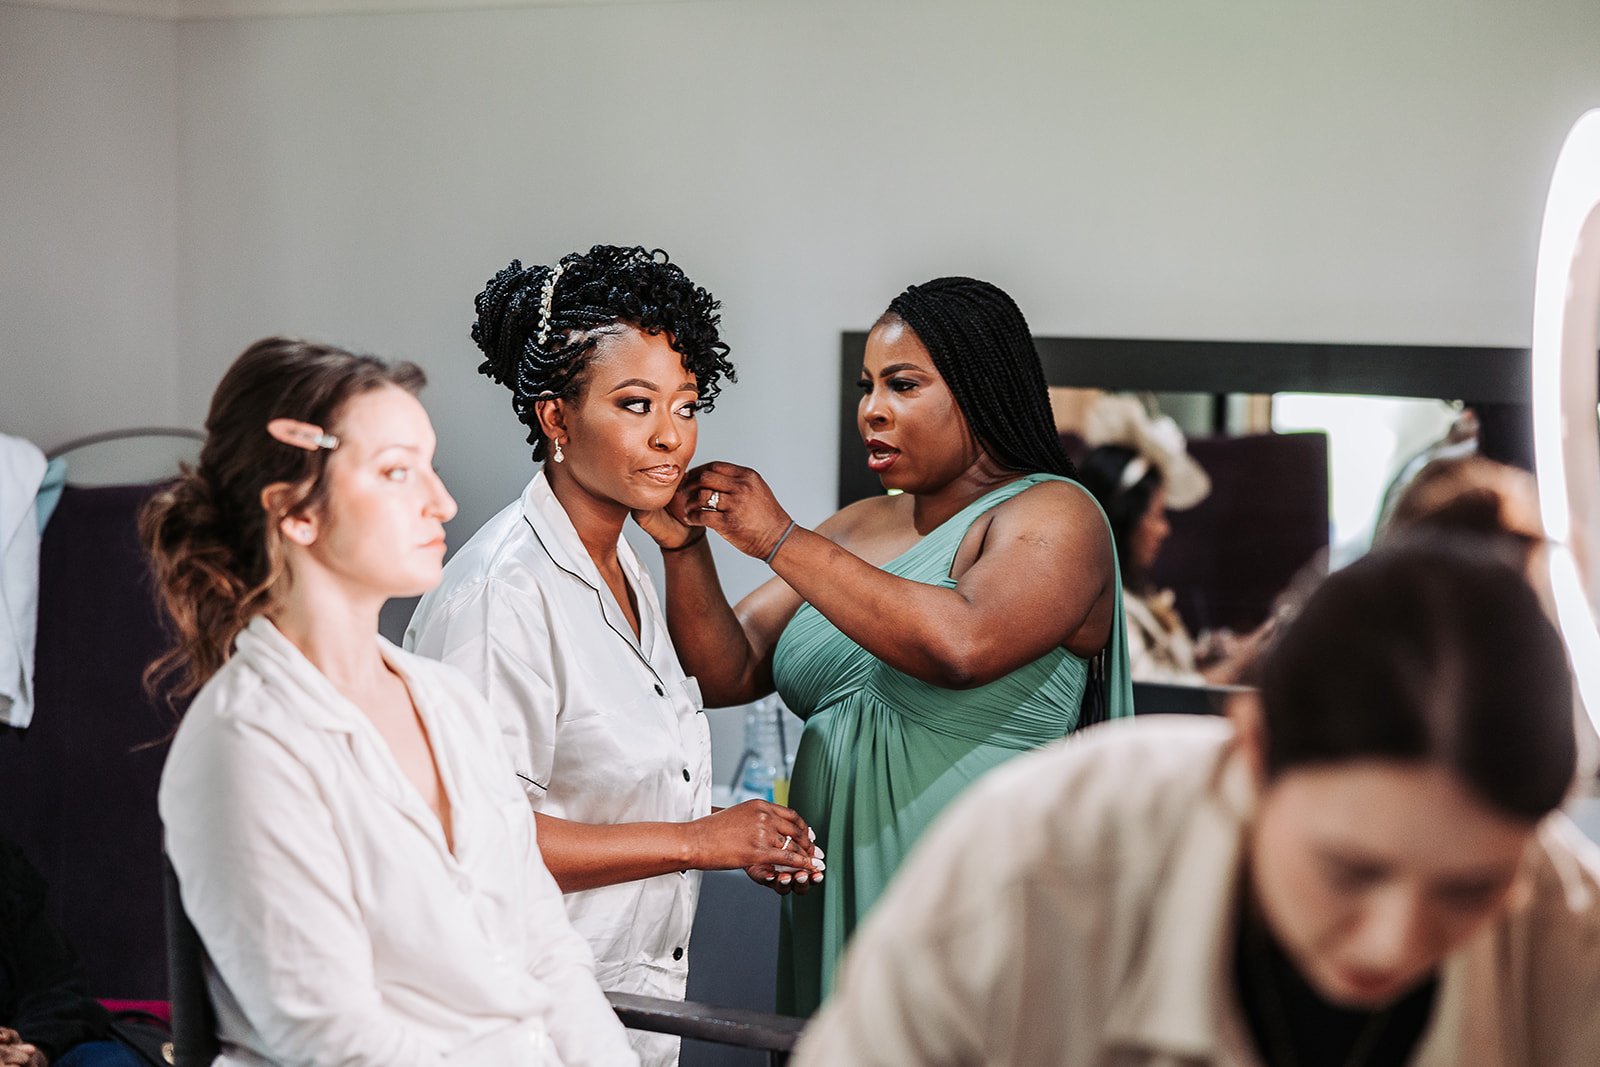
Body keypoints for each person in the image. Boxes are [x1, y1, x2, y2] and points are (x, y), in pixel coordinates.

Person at [795, 537, 1600, 1066]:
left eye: (1469, 890)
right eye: (1348, 870)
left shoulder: (1573, 940)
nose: (1392, 942)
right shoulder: (1033, 863)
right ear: (1250, 751)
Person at [637, 275, 1133, 1014]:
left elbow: (961, 640)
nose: (871, 409)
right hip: (837, 899)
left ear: (979, 389)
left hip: (977, 913)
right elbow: (726, 667)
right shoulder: (860, 526)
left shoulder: (1057, 515)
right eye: (866, 386)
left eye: (903, 385)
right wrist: (685, 552)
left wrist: (779, 537)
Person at [145, 338, 634, 1066]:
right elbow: (339, 1043)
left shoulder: (450, 703)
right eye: (397, 471)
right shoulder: (242, 744)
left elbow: (549, 951)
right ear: (295, 513)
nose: (443, 501)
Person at [404, 247, 820, 1065]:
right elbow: (486, 839)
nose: (672, 436)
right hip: (514, 1028)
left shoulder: (623, 560)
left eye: (687, 404)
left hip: (614, 1022)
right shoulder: (501, 596)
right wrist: (704, 840)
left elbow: (628, 779)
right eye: (636, 404)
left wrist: (740, 840)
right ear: (556, 418)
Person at [1074, 393, 1262, 685]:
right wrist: (1245, 660)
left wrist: (1218, 650)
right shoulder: (1106, 611)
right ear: (1125, 520)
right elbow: (1157, 695)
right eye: (1156, 515)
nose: (1164, 530)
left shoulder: (1138, 593)